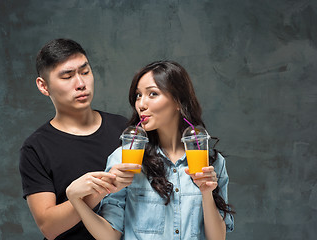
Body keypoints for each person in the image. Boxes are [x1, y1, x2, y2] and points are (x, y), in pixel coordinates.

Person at [66, 60, 235, 239]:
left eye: (152, 94)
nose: (141, 104)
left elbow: (217, 238)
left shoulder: (210, 162)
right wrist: (77, 201)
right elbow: (110, 236)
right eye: (138, 95)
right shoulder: (124, 160)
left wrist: (206, 192)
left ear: (178, 101)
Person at [19, 38, 140, 240]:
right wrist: (101, 190)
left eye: (85, 72)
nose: (81, 84)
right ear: (43, 86)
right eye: (67, 76)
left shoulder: (126, 129)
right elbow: (49, 227)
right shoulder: (35, 148)